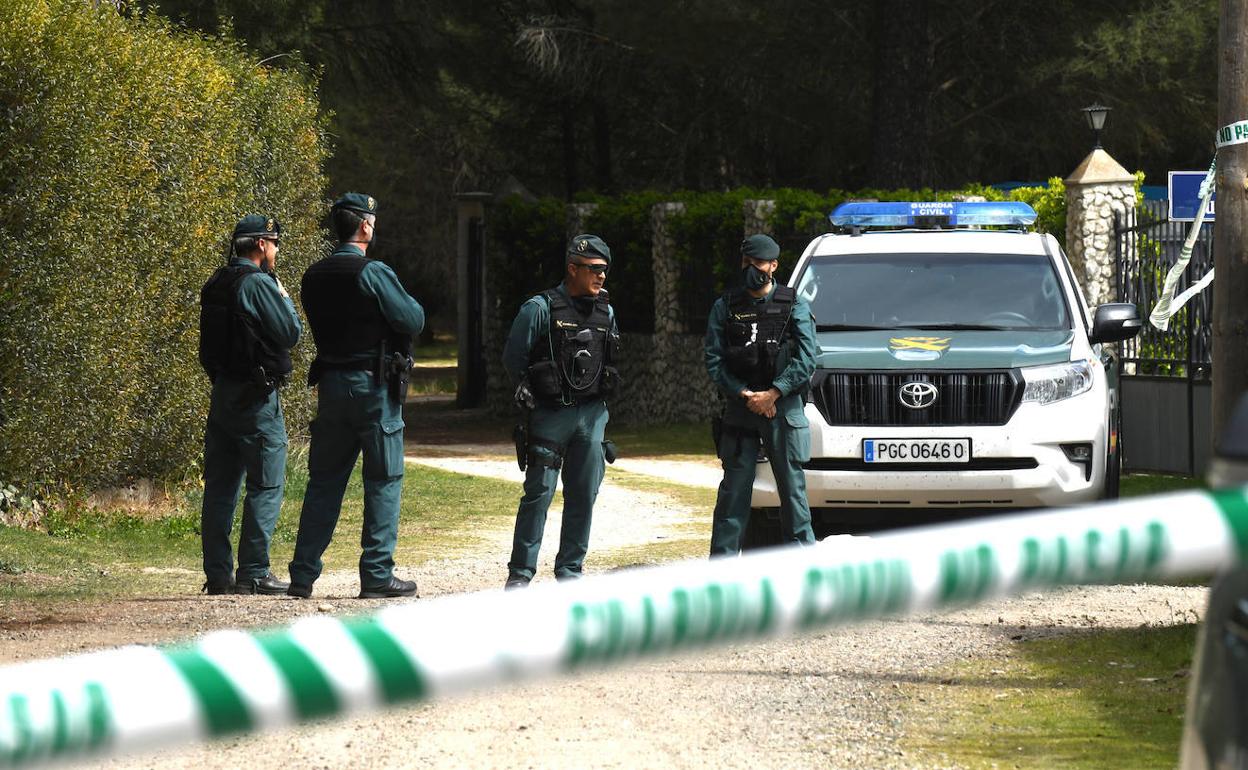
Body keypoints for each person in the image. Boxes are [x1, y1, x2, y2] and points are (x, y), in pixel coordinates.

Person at [287, 193, 424, 599]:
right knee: (384, 479)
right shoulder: (373, 272)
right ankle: (377, 575)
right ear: (364, 225)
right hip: (373, 388)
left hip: (330, 385)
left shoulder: (312, 275)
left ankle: (302, 576)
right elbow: (412, 318)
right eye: (373, 220)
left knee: (324, 482)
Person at [502, 234, 621, 589]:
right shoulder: (540, 308)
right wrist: (529, 388)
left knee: (584, 494)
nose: (601, 277)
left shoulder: (607, 311)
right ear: (573, 269)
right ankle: (521, 574)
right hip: (551, 415)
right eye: (594, 270)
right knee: (539, 493)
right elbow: (513, 358)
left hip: (592, 416)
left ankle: (570, 572)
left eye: (605, 271)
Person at [198, 214, 302, 595]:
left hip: (222, 392)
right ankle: (254, 572)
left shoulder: (217, 282)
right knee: (266, 483)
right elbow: (290, 333)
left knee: (221, 486)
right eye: (273, 243)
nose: (275, 250)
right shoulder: (259, 284)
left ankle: (218, 574)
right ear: (261, 244)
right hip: (256, 398)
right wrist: (283, 294)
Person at [704, 233, 817, 556]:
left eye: (759, 263)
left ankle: (805, 571)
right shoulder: (725, 307)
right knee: (733, 497)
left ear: (773, 265)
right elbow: (714, 360)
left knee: (793, 495)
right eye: (747, 263)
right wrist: (745, 395)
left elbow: (807, 358)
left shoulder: (793, 303)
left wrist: (774, 393)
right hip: (741, 413)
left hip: (782, 411)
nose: (752, 269)